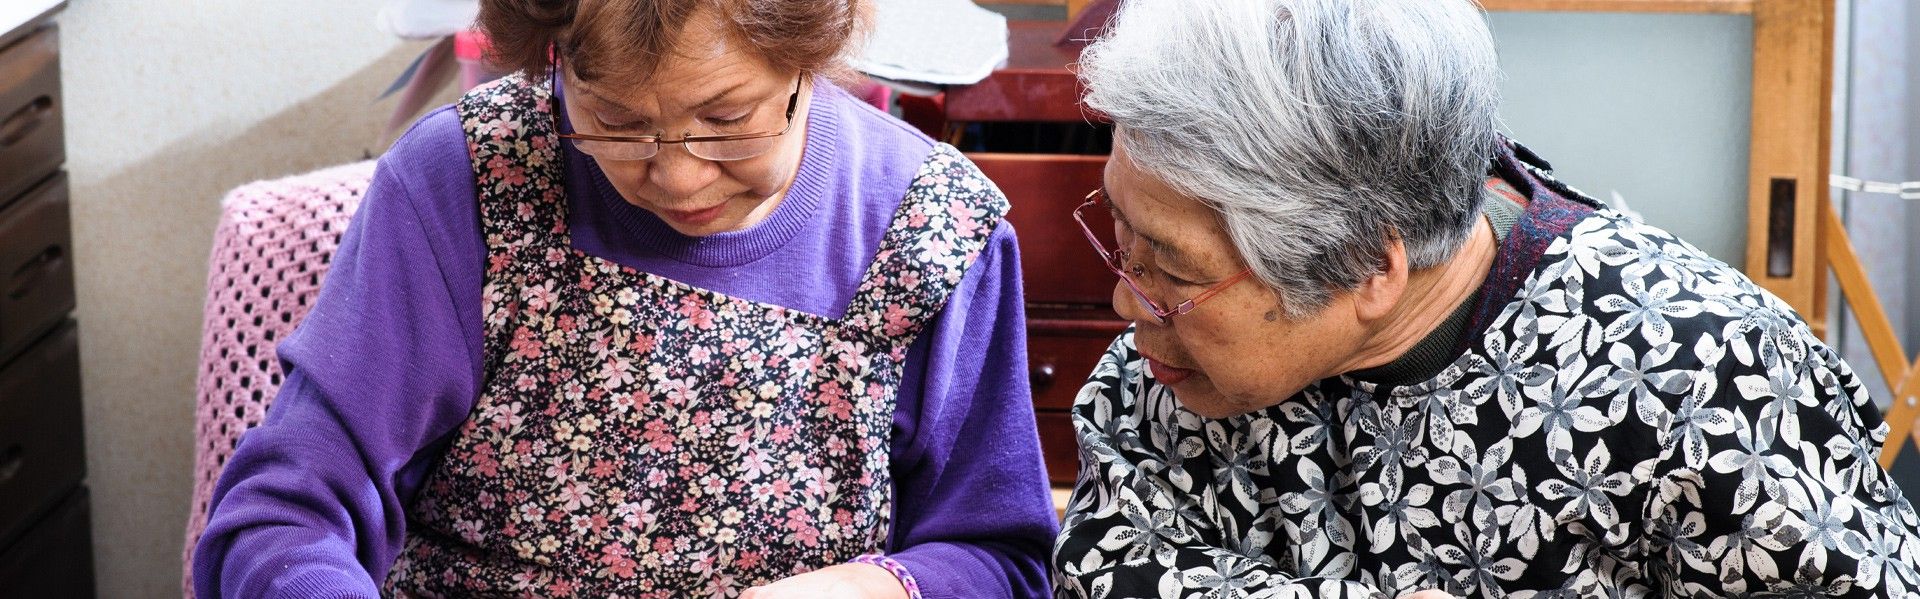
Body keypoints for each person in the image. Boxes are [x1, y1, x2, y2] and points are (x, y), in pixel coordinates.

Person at [1051, 0, 1920, 597]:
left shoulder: (1705, 377)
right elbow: (1106, 565)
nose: (1130, 304)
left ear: (1365, 267)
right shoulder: (1174, 369)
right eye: (1122, 236)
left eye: (1171, 267)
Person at [194, 0, 1057, 596]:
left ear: (812, 54)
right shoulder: (466, 182)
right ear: (553, 62)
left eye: (728, 120)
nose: (676, 175)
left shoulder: (932, 229)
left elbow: (1000, 556)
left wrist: (874, 585)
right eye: (614, 120)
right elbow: (281, 512)